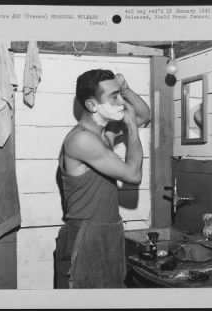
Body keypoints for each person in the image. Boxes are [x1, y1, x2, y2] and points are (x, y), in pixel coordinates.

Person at [55, 69, 150, 288]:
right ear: (92, 105)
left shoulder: (104, 133)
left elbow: (144, 114)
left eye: (120, 96)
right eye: (114, 97)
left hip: (107, 231)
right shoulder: (81, 140)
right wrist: (132, 130)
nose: (122, 102)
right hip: (85, 235)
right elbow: (133, 175)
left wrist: (124, 88)